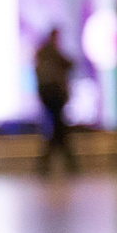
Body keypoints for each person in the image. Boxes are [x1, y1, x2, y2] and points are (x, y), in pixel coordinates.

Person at [34, 29, 78, 176]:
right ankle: (68, 163)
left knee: (57, 130)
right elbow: (69, 64)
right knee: (59, 130)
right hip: (54, 97)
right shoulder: (52, 53)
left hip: (49, 97)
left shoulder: (42, 54)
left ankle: (47, 164)